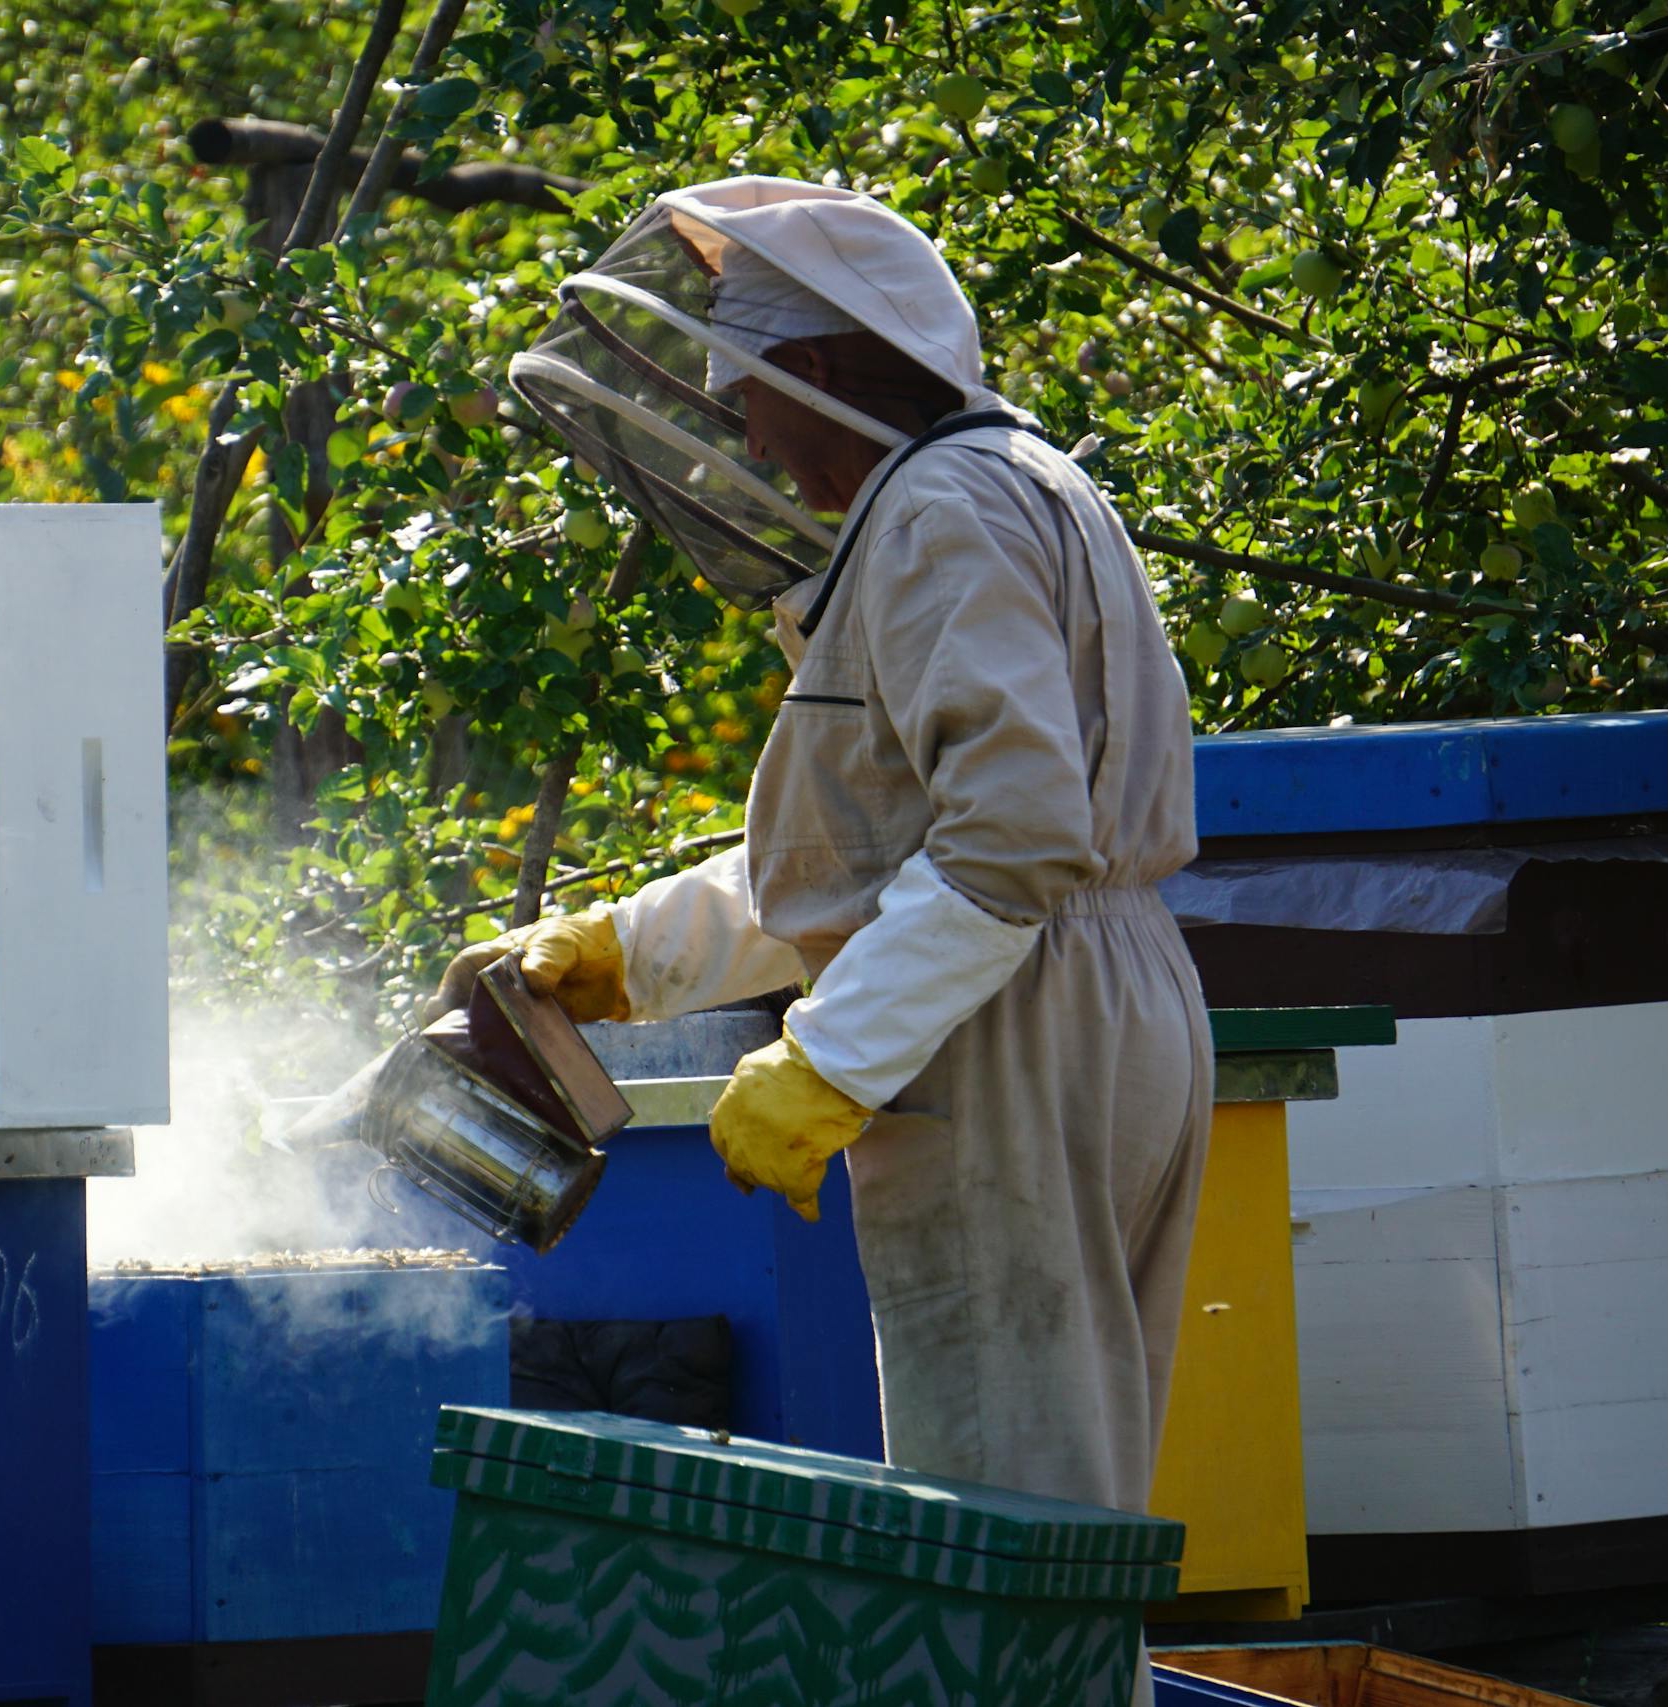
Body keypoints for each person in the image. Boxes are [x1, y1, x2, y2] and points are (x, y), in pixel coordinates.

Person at [437, 176, 1211, 1705]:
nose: (742, 436)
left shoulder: (933, 510)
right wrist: (629, 953)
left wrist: (831, 1060)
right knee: (1071, 1483)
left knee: (1009, 1498)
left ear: (840, 369)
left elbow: (1007, 844)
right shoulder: (1025, 485)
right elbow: (884, 847)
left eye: (751, 395)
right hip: (1093, 990)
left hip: (1010, 1024)